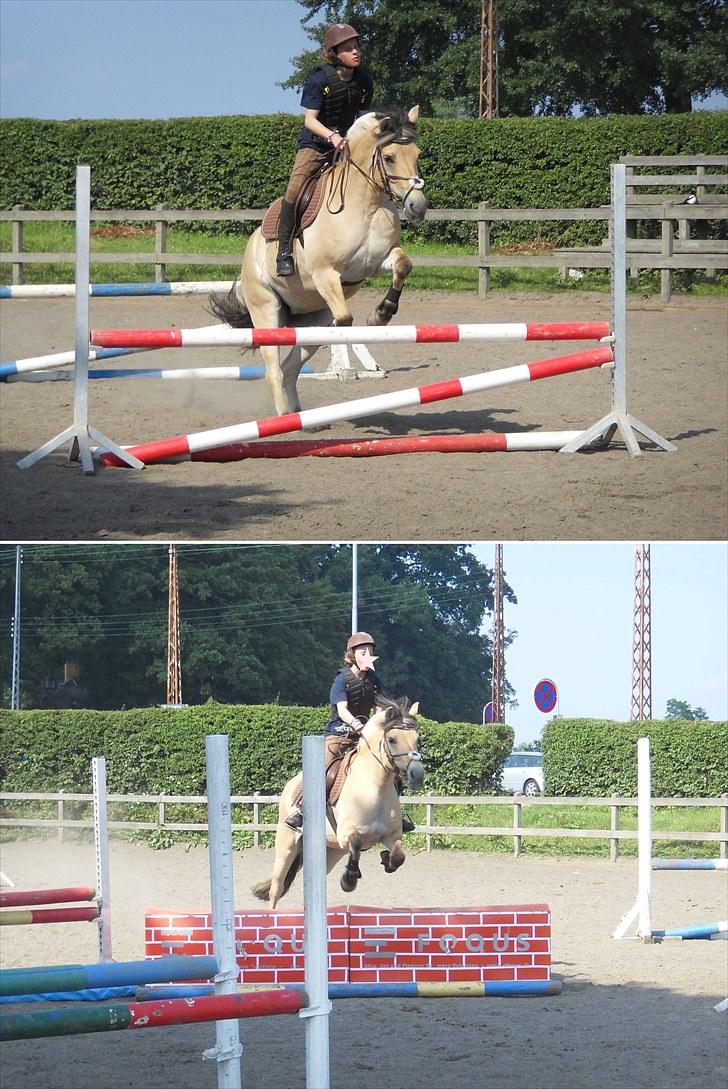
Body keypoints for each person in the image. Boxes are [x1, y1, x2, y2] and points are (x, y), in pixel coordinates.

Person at [285, 631, 415, 832]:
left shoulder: (374, 681)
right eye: (363, 651)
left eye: (370, 651)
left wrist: (381, 722)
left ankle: (397, 813)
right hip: (339, 733)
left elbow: (378, 708)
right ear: (352, 655)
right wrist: (357, 725)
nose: (367, 654)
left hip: (364, 735)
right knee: (325, 766)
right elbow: (341, 710)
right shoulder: (341, 680)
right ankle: (301, 809)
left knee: (391, 765)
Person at [276, 23, 374, 277]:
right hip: (316, 145)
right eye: (348, 48)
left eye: (356, 46)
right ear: (334, 53)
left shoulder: (364, 80)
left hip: (347, 145)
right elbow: (310, 120)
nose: (356, 51)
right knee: (295, 188)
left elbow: (363, 116)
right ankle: (283, 251)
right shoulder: (319, 79)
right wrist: (333, 137)